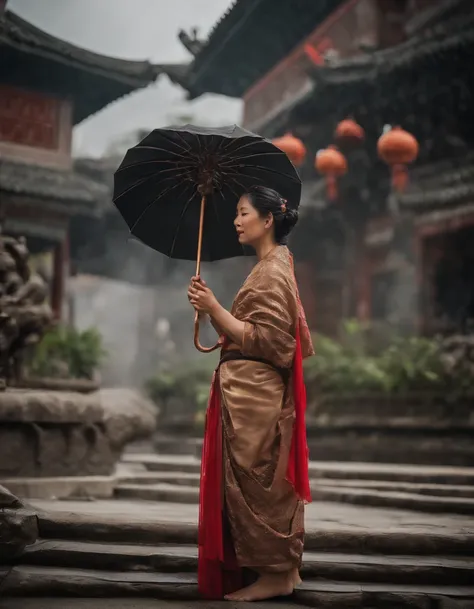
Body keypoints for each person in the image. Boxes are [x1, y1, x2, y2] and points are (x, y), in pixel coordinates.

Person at [187, 185, 314, 602]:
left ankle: (277, 573)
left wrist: (215, 308)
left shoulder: (274, 270)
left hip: (255, 396)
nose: (237, 221)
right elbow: (244, 334)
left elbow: (272, 342)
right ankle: (283, 570)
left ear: (268, 219)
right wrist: (209, 311)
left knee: (260, 478)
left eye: (243, 213)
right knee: (259, 477)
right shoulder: (267, 267)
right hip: (245, 392)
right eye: (237, 214)